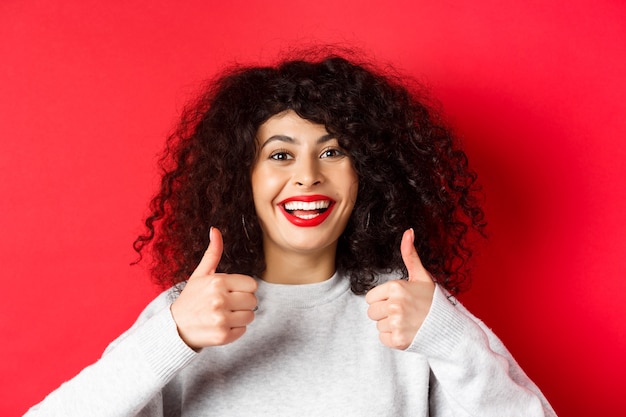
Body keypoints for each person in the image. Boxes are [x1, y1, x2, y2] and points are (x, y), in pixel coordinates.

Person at [25, 50, 557, 416]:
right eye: (280, 155)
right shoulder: (186, 314)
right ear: (242, 178)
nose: (308, 175)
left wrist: (448, 338)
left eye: (332, 151)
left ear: (366, 171)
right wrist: (173, 337)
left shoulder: (416, 311)